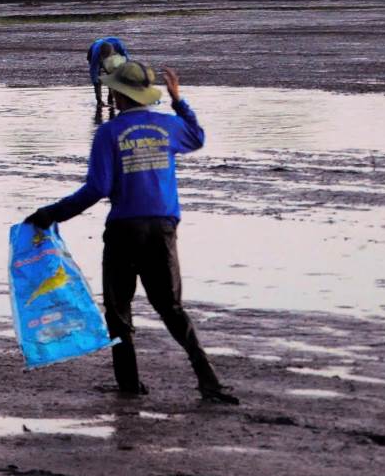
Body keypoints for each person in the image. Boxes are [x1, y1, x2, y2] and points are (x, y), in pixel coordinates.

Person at [24, 61, 239, 405]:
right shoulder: (168, 126)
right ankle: (207, 378)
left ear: (117, 94)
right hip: (162, 227)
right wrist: (179, 101)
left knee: (119, 310)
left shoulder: (109, 133)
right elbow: (197, 138)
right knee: (170, 307)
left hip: (124, 229)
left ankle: (129, 385)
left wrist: (51, 214)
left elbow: (97, 188)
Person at [87, 37, 128, 108]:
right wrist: (98, 98)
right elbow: (93, 72)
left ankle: (111, 96)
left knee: (112, 73)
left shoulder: (119, 46)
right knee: (97, 79)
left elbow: (127, 60)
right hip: (93, 49)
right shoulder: (96, 55)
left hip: (110, 51)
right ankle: (99, 101)